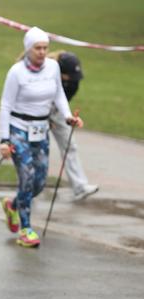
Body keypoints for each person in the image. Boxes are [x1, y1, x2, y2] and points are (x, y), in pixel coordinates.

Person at [0, 27, 82, 248]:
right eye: (38, 48)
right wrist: (4, 140)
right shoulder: (16, 72)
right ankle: (26, 228)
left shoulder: (53, 67)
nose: (42, 52)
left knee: (39, 183)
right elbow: (5, 106)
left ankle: (13, 205)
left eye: (45, 47)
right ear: (28, 49)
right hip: (18, 129)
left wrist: (67, 117)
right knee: (26, 179)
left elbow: (58, 94)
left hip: (41, 129)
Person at [48, 50, 98, 201]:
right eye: (69, 75)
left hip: (58, 112)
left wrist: (64, 117)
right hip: (35, 113)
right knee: (36, 150)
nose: (73, 79)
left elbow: (62, 102)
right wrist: (46, 120)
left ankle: (79, 186)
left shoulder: (73, 84)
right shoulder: (47, 74)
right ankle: (30, 188)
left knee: (70, 146)